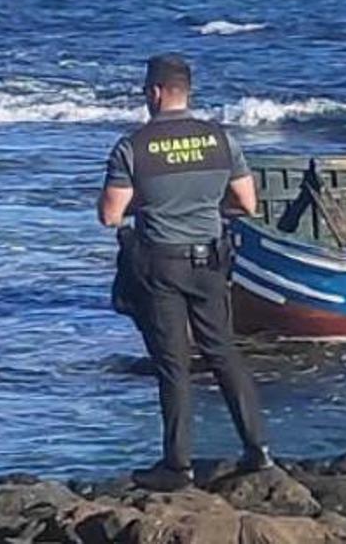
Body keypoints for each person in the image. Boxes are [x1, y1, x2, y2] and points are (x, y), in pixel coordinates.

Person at [98, 53, 273, 491]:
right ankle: (257, 450)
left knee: (173, 364)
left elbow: (110, 215)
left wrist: (151, 203)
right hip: (211, 260)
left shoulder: (132, 146)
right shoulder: (220, 139)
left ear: (154, 92)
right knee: (223, 354)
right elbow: (247, 204)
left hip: (161, 262)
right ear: (186, 91)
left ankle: (177, 466)